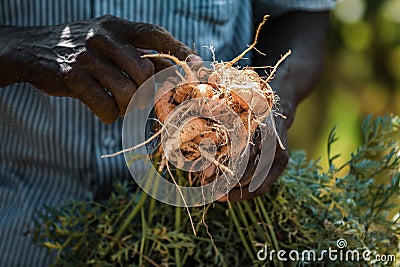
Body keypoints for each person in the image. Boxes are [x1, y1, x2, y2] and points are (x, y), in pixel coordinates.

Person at [0, 0, 334, 265]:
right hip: (19, 229)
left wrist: (265, 99)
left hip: (212, 226)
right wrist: (24, 49)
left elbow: (302, 13)